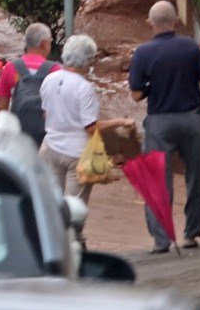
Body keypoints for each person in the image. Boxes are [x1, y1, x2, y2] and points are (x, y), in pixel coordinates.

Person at [129, 0, 200, 253]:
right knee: (195, 176)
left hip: (159, 121)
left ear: (150, 23)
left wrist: (152, 85)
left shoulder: (142, 53)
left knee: (158, 179)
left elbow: (136, 94)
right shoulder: (191, 48)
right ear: (175, 21)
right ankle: (191, 234)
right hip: (192, 119)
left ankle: (161, 240)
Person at [39, 35, 131, 229]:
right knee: (75, 208)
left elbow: (46, 114)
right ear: (87, 60)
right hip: (76, 154)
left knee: (51, 205)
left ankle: (51, 242)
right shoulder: (83, 87)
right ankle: (75, 243)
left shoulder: (49, 79)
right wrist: (119, 121)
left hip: (50, 148)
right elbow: (90, 127)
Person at [0, 23, 61, 147]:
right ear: (43, 43)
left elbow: (2, 108)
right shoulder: (55, 70)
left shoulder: (10, 67)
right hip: (47, 138)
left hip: (19, 134)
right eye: (50, 41)